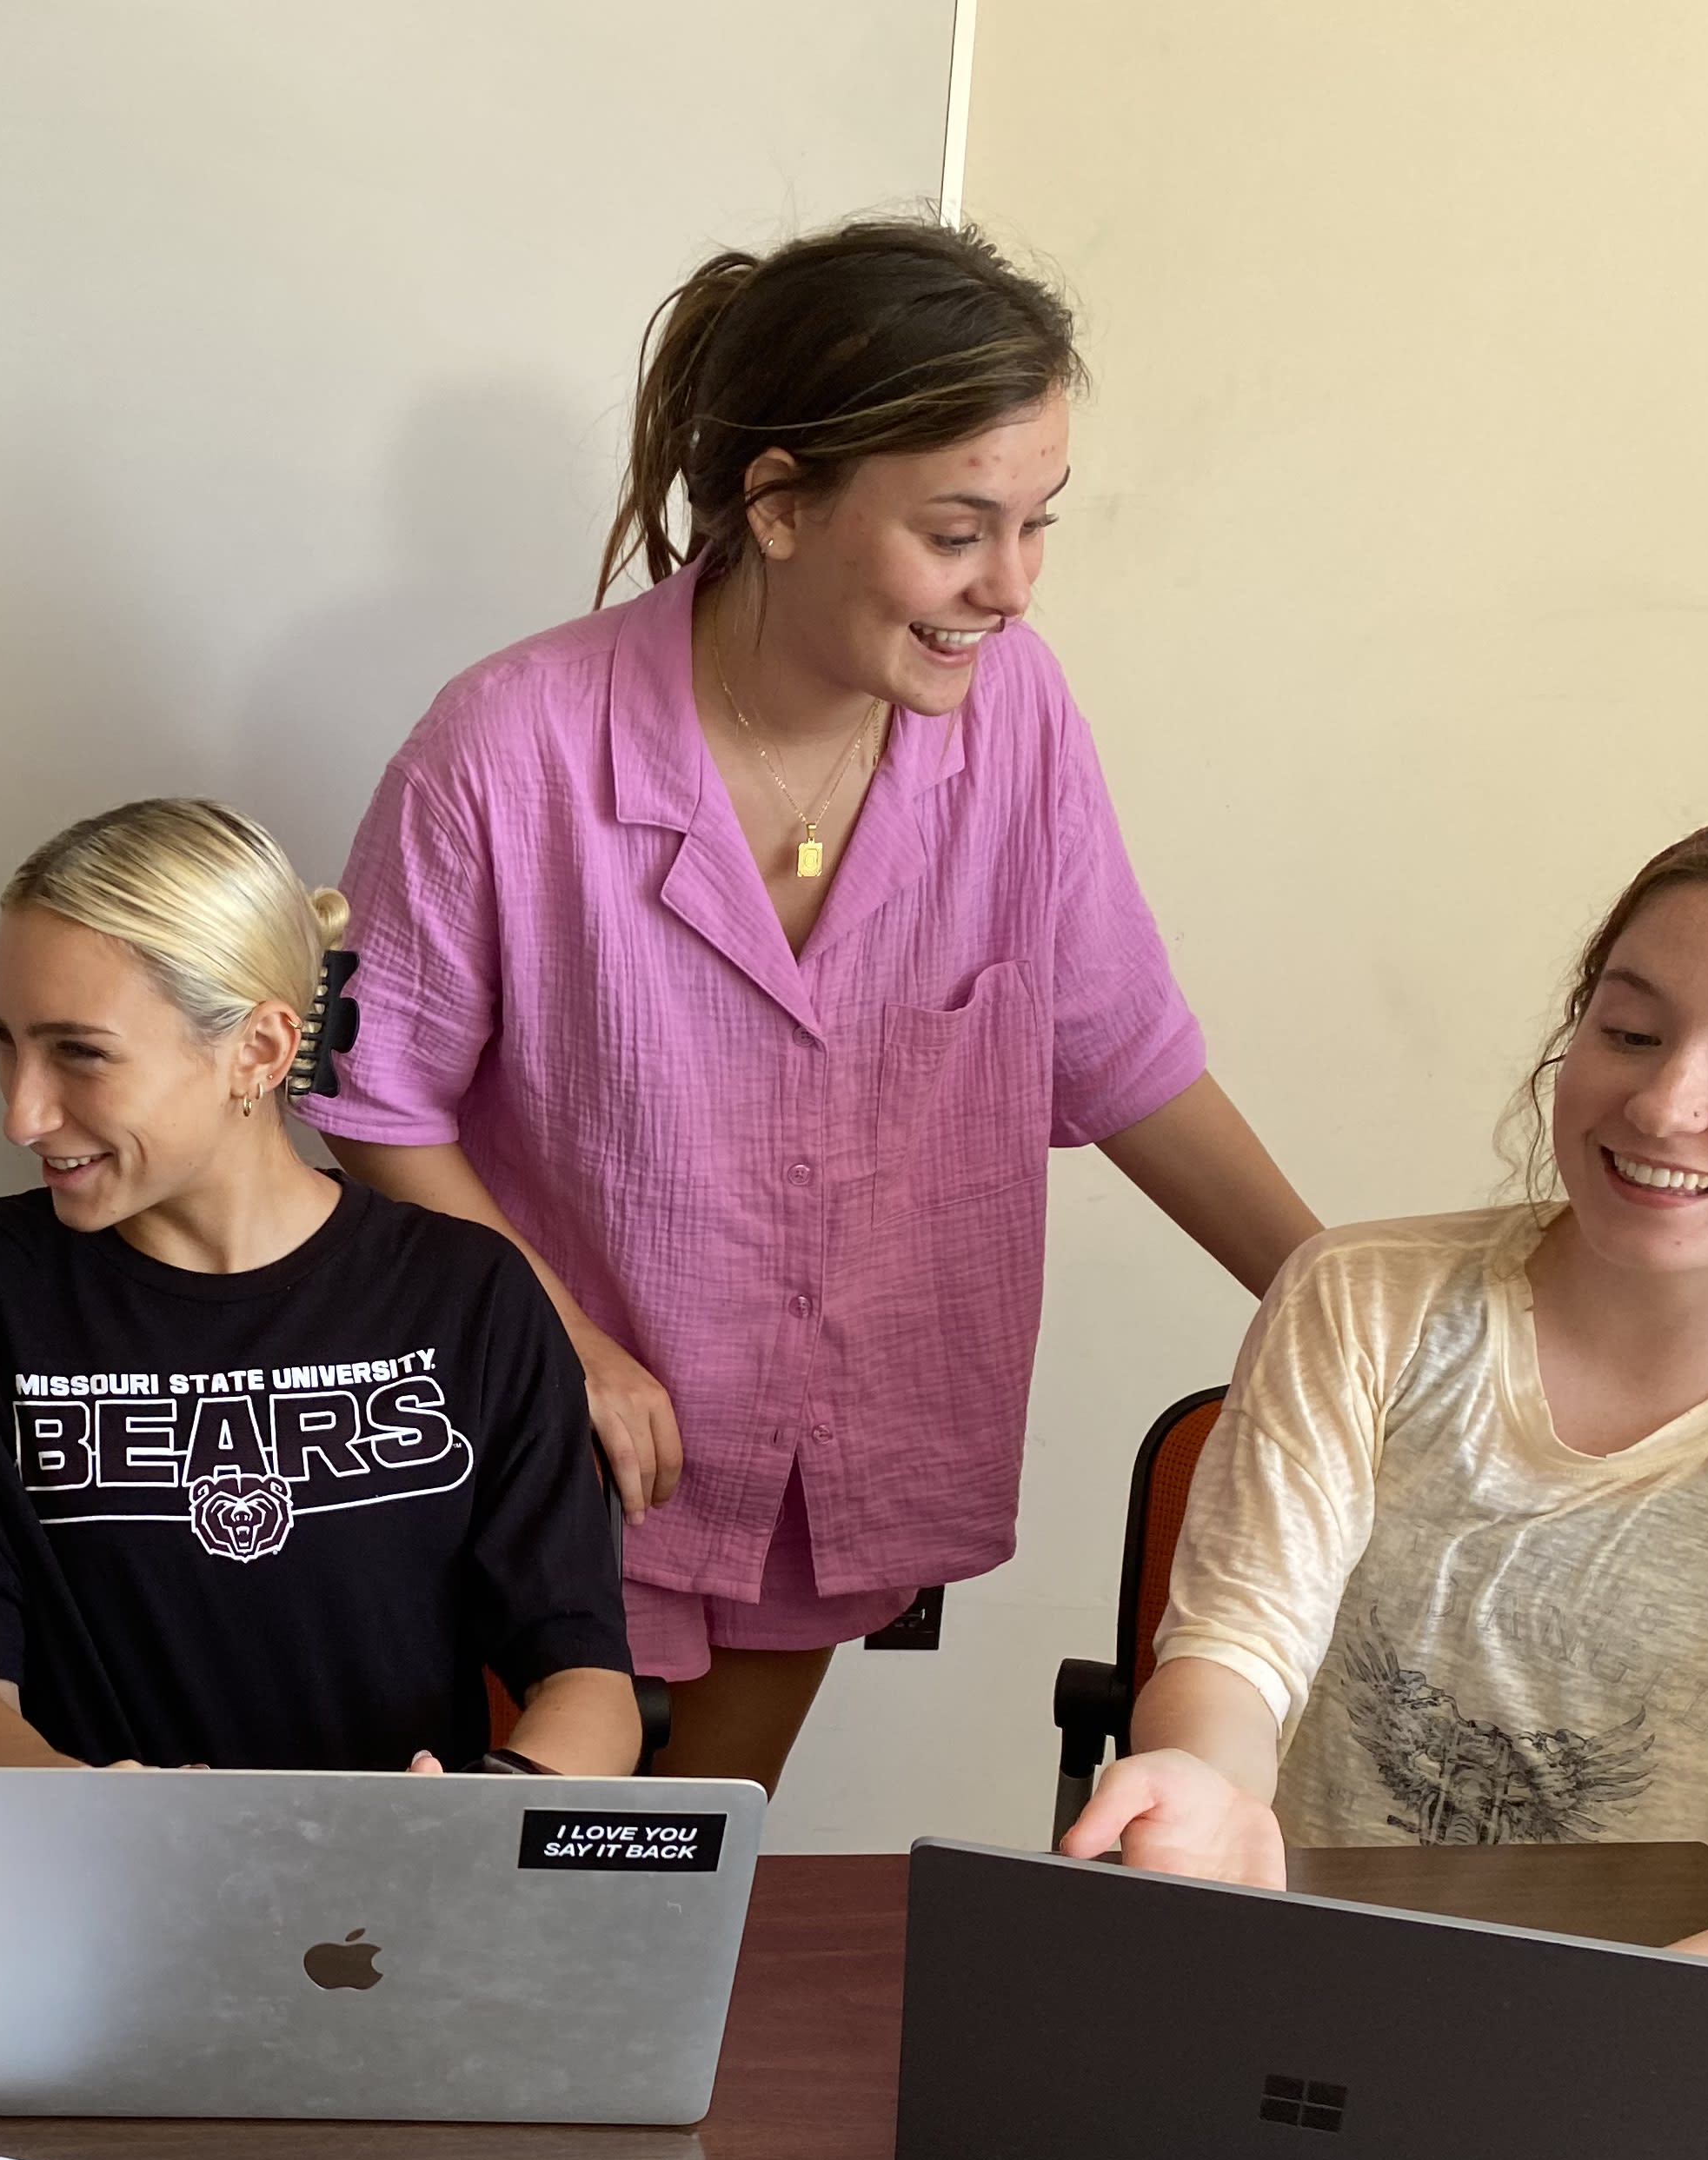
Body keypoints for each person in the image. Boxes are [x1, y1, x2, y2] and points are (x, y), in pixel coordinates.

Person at [302, 217, 1320, 1794]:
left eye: (1038, 524)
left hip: (824, 1446)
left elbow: (1115, 1046)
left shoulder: (1018, 718)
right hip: (563, 1448)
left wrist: (1336, 1303)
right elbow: (377, 1103)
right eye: (959, 530)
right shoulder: (509, 745)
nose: (1012, 588)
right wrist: (567, 1345)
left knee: (680, 1872)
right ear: (779, 504)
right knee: (502, 1894)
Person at [1066, 807, 1708, 2033]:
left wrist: (1619, 2014)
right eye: (1629, 1030)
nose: (1665, 1105)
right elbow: (1237, 1650)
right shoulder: (1363, 1297)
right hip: (1313, 2002)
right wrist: (1199, 1776)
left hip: (1679, 2048)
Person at [0, 797, 641, 1780]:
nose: (21, 1113)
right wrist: (95, 1818)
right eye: (5, 1040)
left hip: (394, 1909)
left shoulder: (468, 1294)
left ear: (263, 1051)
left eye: (79, 1052)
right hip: (98, 1897)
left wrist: (480, 1820)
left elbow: (587, 1679)